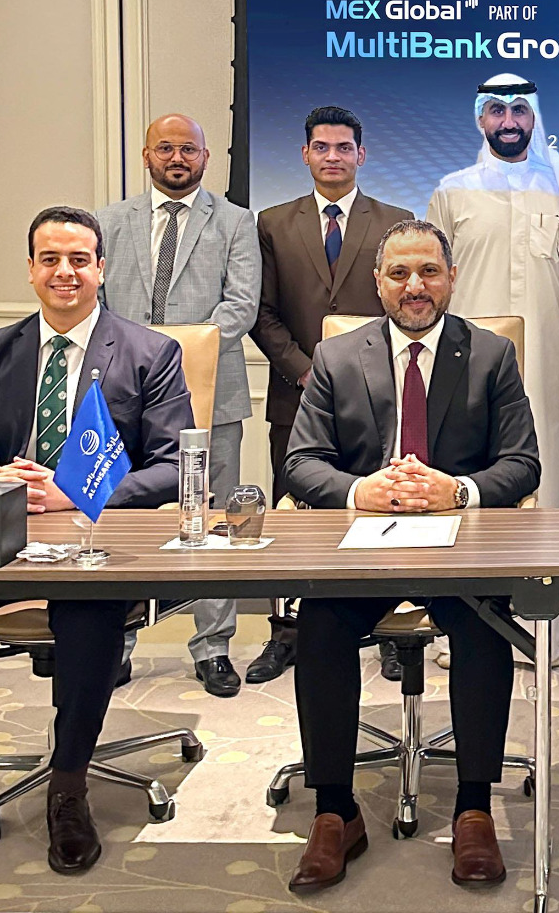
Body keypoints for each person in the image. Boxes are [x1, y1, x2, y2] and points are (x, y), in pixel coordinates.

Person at [0, 207, 192, 875]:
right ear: (30, 270)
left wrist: (78, 493)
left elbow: (174, 467)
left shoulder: (150, 352)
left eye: (78, 259)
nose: (64, 272)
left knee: (87, 613)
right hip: (4, 543)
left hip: (98, 546)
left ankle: (68, 788)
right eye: (50, 259)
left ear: (101, 268)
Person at [281, 220, 540, 894]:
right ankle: (335, 811)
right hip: (366, 548)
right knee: (320, 627)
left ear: (451, 278)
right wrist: (360, 491)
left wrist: (458, 490)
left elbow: (522, 462)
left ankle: (474, 807)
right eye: (399, 274)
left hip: (459, 548)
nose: (414, 286)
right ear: (378, 283)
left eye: (428, 271)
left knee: (484, 628)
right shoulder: (338, 356)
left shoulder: (489, 355)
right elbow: (301, 463)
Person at [427, 72, 559, 666]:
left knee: (548, 492)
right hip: (464, 367)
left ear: (533, 118)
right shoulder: (452, 192)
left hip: (549, 369)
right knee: (466, 487)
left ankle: (549, 631)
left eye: (519, 110)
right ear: (481, 118)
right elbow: (432, 282)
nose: (508, 121)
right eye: (497, 110)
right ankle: (465, 630)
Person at [97, 113, 260, 698]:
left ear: (206, 157)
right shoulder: (109, 222)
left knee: (216, 517)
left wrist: (172, 354)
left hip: (214, 392)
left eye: (188, 149)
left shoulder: (236, 222)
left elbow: (241, 305)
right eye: (165, 148)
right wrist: (138, 361)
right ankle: (114, 643)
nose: (177, 158)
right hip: (122, 398)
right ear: (146, 156)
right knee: (120, 513)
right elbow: (97, 303)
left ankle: (213, 646)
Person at [247, 106, 411, 684]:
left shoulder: (395, 221)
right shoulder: (272, 222)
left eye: (344, 147)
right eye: (322, 147)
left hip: (381, 400)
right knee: (295, 514)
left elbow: (404, 310)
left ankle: (392, 629)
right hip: (295, 396)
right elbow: (262, 313)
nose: (333, 157)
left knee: (386, 507)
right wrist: (306, 371)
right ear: (305, 154)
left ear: (360, 155)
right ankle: (287, 631)